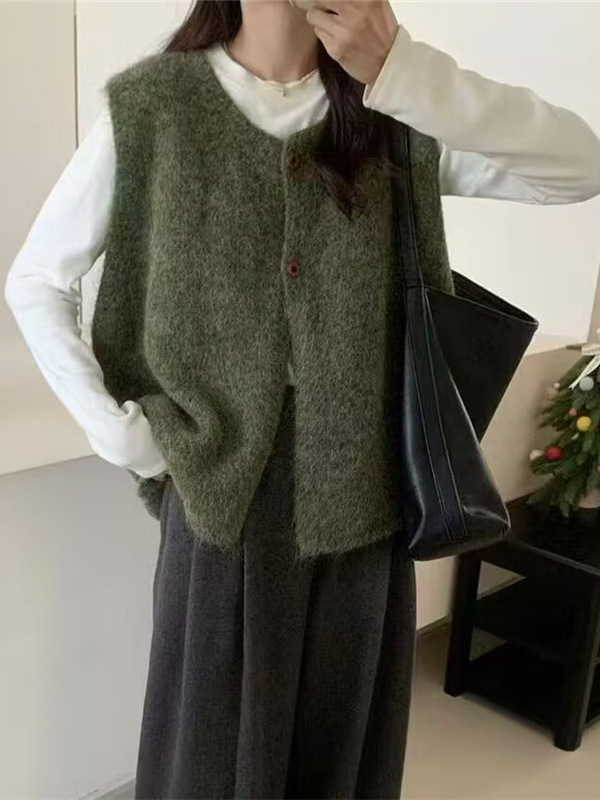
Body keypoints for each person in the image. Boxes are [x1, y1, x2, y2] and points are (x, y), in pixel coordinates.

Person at [5, 1, 600, 797]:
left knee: (338, 758)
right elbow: (36, 280)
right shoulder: (154, 108)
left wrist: (400, 68)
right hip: (220, 506)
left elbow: (579, 166)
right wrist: (126, 437)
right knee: (209, 764)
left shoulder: (394, 111)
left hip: (366, 507)